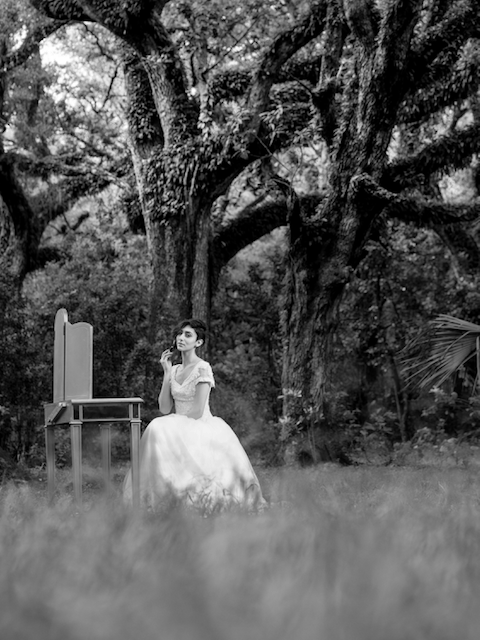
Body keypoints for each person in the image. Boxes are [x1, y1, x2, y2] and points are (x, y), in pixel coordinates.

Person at [123, 319, 266, 513]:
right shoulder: (174, 370)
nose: (181, 338)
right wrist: (166, 374)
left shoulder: (203, 368)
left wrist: (174, 425)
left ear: (198, 342)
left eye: (188, 335)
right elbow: (165, 408)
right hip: (177, 423)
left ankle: (197, 499)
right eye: (180, 334)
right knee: (157, 427)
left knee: (158, 426)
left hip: (199, 423)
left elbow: (198, 410)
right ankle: (162, 498)